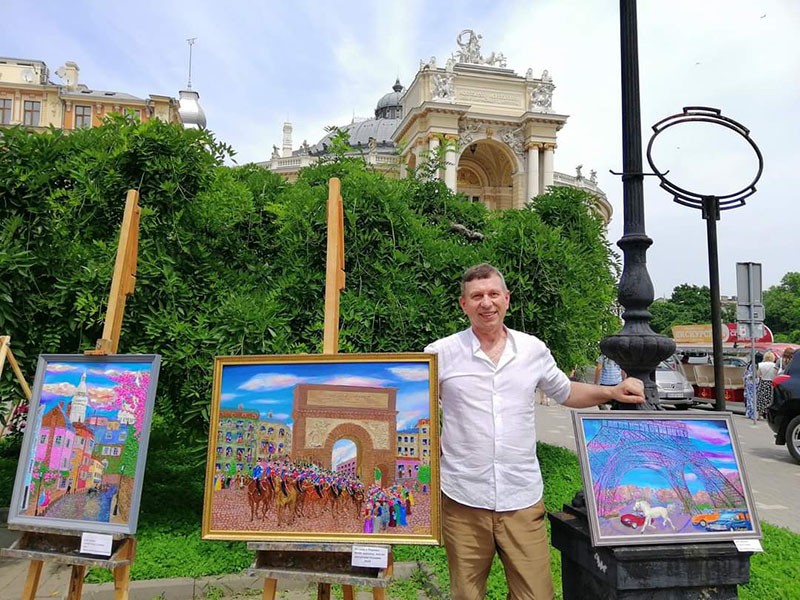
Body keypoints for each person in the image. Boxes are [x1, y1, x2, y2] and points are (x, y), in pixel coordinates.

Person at [424, 263, 645, 600]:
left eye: (493, 294)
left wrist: (610, 393)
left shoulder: (532, 350)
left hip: (521, 498)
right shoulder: (439, 354)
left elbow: (566, 392)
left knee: (535, 594)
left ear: (507, 299)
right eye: (477, 296)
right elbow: (412, 407)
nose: (486, 303)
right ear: (463, 304)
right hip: (463, 499)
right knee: (466, 595)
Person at [756, 350, 779, 419]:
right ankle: (768, 414)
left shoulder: (760, 365)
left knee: (761, 399)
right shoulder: (775, 366)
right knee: (770, 399)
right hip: (771, 383)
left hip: (763, 382)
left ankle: (759, 414)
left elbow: (758, 375)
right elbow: (776, 375)